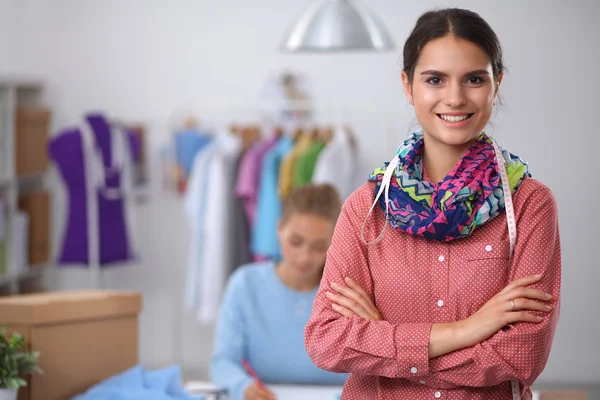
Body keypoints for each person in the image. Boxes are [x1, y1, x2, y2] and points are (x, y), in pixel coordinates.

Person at [304, 8, 560, 400]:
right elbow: (326, 339)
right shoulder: (366, 209)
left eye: (474, 79)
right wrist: (464, 331)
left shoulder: (530, 205)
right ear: (408, 86)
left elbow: (522, 356)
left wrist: (386, 342)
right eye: (435, 80)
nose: (454, 98)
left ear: (497, 84)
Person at [210, 183, 348, 400]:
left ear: (334, 243)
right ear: (279, 229)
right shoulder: (245, 284)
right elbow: (223, 360)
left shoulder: (347, 293)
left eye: (319, 246)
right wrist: (241, 386)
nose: (304, 257)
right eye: (296, 241)